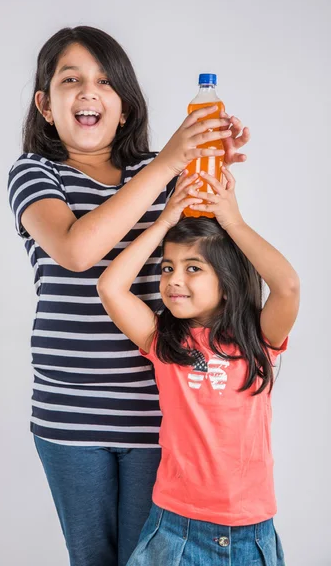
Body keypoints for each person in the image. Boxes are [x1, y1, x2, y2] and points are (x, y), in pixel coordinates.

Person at [7, 25, 249, 566]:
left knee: (153, 557)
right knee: (92, 557)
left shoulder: (156, 171)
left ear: (125, 106)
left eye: (105, 82)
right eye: (72, 80)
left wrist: (214, 162)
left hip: (159, 411)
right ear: (46, 104)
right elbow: (76, 250)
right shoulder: (35, 173)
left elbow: (211, 254)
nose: (89, 91)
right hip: (69, 416)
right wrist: (169, 164)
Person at [97, 166, 300, 565]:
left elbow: (287, 286)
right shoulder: (164, 342)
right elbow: (110, 286)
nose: (174, 279)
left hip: (249, 530)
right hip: (175, 528)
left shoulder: (259, 341)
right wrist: (166, 220)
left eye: (194, 268)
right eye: (168, 267)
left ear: (226, 282)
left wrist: (233, 222)